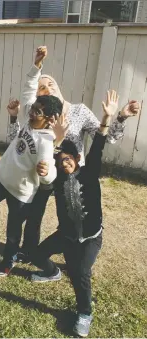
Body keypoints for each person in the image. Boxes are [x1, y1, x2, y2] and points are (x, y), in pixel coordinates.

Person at [16, 46, 141, 264]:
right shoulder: (40, 116)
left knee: (74, 217)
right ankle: (29, 251)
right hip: (46, 173)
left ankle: (81, 255)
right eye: (42, 88)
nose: (48, 89)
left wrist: (120, 116)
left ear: (58, 87)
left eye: (51, 84)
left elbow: (107, 138)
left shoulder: (80, 111)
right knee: (35, 213)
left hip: (73, 176)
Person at [30, 90, 120, 338]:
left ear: (77, 158)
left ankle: (84, 314)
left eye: (68, 160)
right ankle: (51, 272)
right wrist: (56, 143)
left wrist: (106, 119)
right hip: (66, 236)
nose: (64, 164)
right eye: (61, 162)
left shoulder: (89, 173)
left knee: (80, 273)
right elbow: (48, 159)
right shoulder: (58, 179)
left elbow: (98, 147)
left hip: (91, 237)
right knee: (35, 253)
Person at [0, 95, 65, 277]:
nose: (31, 113)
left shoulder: (46, 142)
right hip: (1, 179)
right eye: (33, 108)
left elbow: (48, 177)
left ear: (49, 118)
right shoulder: (28, 124)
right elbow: (28, 91)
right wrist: (35, 69)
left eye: (37, 111)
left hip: (21, 193)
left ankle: (8, 262)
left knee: (13, 232)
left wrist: (46, 173)